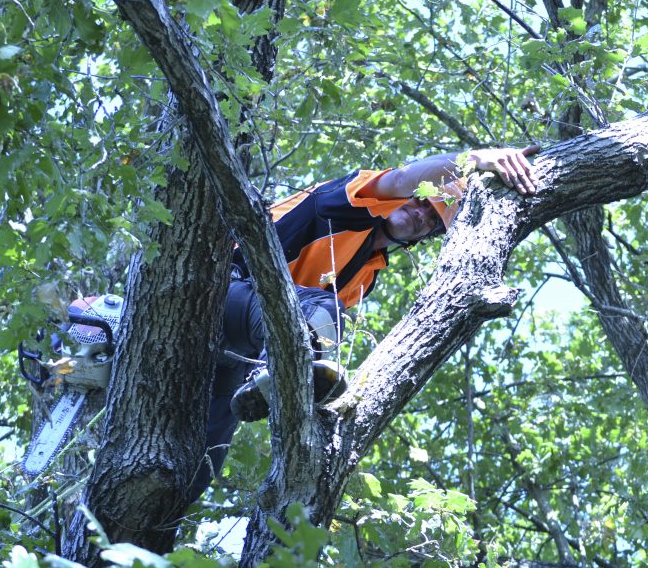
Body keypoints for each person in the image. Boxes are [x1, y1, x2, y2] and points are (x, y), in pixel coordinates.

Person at [188, 145, 540, 501]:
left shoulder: (366, 276)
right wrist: (474, 160)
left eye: (433, 219)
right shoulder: (350, 203)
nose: (421, 213)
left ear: (422, 240)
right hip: (219, 291)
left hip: (238, 349)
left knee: (200, 464)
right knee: (324, 310)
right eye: (420, 200)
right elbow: (403, 179)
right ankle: (280, 374)